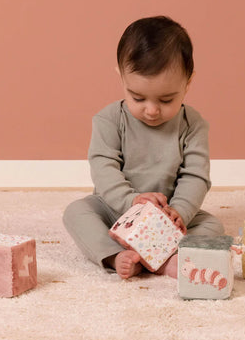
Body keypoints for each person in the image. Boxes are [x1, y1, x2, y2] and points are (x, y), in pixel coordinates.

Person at [63, 16, 224, 280]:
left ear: (188, 82)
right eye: (137, 98)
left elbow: (196, 176)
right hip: (116, 209)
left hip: (168, 212)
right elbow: (104, 169)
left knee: (212, 225)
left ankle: (164, 256)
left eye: (166, 99)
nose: (151, 110)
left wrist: (180, 212)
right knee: (77, 212)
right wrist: (132, 202)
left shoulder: (193, 125)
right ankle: (116, 255)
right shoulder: (109, 119)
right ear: (121, 76)